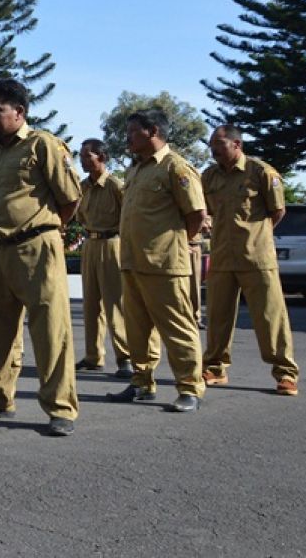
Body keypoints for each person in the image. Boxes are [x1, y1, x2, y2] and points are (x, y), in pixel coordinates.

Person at [0, 79, 81, 437]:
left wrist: (44, 231)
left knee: (50, 330)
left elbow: (70, 198)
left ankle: (60, 408)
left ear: (19, 112)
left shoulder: (43, 144)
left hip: (35, 248)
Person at [107, 109, 206, 413]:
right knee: (137, 330)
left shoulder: (175, 168)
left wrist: (172, 245)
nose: (127, 138)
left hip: (164, 264)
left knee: (177, 328)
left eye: (133, 132)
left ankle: (190, 388)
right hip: (133, 262)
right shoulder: (137, 170)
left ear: (152, 131)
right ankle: (142, 383)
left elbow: (196, 215)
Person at [200, 125, 299, 395]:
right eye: (211, 145)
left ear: (237, 144)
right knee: (218, 315)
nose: (214, 150)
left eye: (219, 144)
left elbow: (277, 211)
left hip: (257, 258)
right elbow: (204, 211)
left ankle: (285, 373)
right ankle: (215, 368)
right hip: (221, 256)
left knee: (270, 317)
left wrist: (256, 237)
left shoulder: (261, 172)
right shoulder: (208, 176)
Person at [74, 138, 133, 379]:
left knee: (114, 303)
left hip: (112, 243)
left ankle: (125, 357)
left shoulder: (115, 186)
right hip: (90, 243)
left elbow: (128, 218)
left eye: (88, 156)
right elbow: (78, 215)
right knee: (90, 304)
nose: (83, 160)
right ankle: (93, 356)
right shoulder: (82, 187)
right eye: (81, 156)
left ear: (102, 157)